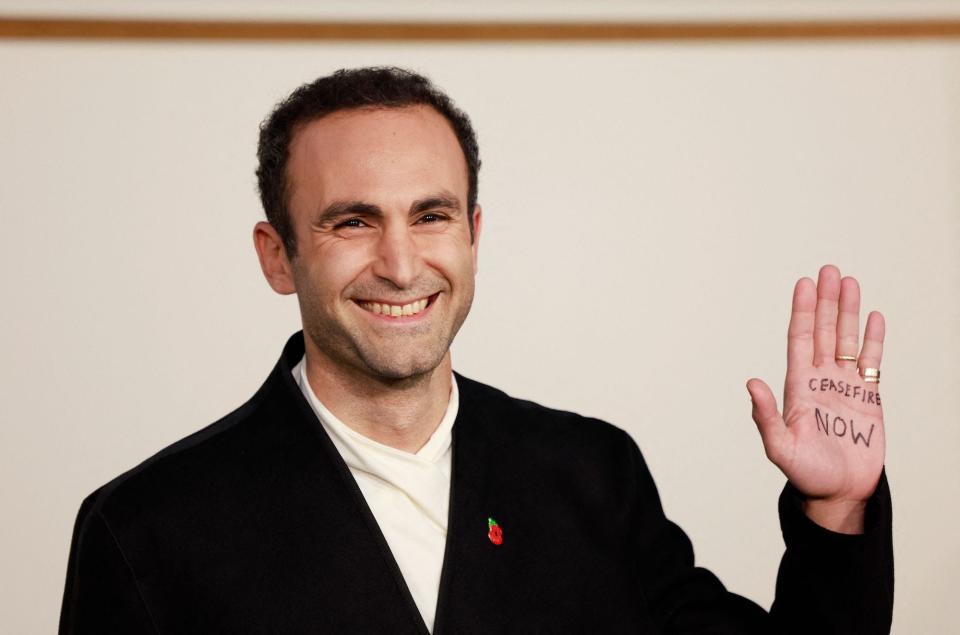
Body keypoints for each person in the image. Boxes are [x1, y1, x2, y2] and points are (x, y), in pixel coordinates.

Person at [59, 67, 893, 634]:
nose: (399, 262)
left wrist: (837, 510)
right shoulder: (145, 531)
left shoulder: (590, 474)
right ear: (278, 255)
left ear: (473, 233)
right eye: (353, 220)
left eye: (431, 215)